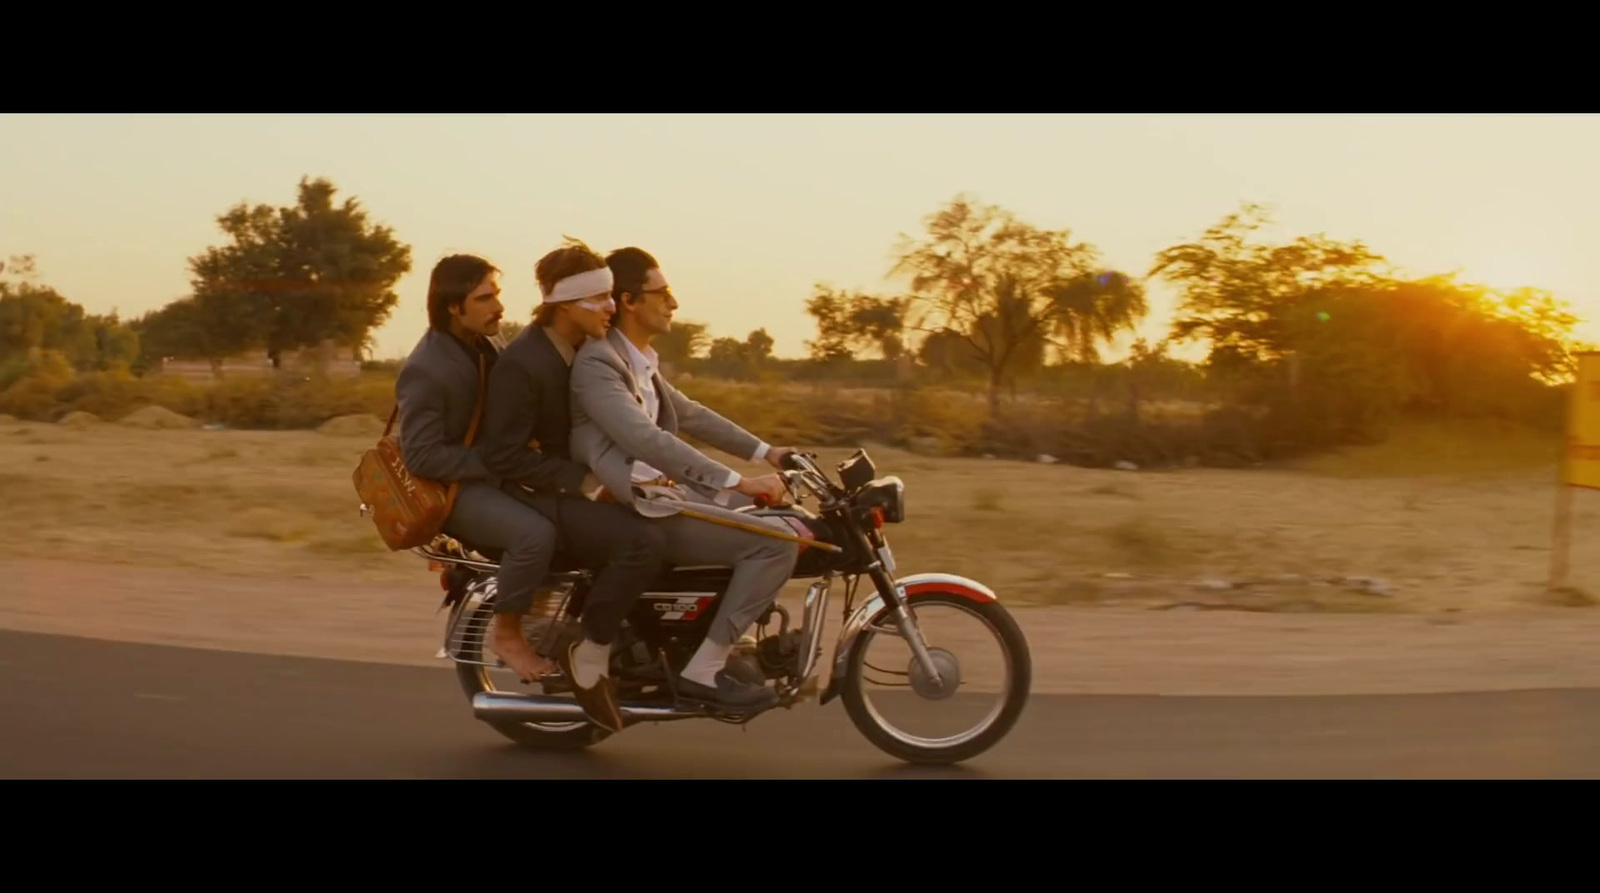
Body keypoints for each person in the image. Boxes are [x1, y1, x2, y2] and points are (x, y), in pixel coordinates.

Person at [569, 246, 799, 713]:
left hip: (666, 493)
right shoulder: (598, 365)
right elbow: (647, 440)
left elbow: (691, 414)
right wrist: (739, 482)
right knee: (776, 543)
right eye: (663, 292)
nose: (673, 303)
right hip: (640, 505)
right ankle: (705, 669)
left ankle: (715, 640)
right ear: (630, 301)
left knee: (785, 517)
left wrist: (768, 452)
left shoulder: (637, 361)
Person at [479, 238, 667, 732]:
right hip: (537, 495)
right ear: (566, 306)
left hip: (575, 484)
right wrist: (582, 482)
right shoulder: (524, 363)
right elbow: (503, 455)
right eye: (600, 299)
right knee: (641, 541)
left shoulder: (587, 347)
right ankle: (590, 649)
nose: (611, 306)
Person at [395, 254, 560, 685]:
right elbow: (422, 456)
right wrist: (500, 462)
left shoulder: (486, 343)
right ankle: (507, 636)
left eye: (497, 294)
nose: (499, 306)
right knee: (533, 534)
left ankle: (548, 622)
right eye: (484, 298)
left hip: (491, 473)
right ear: (453, 306)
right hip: (453, 490)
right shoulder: (427, 369)